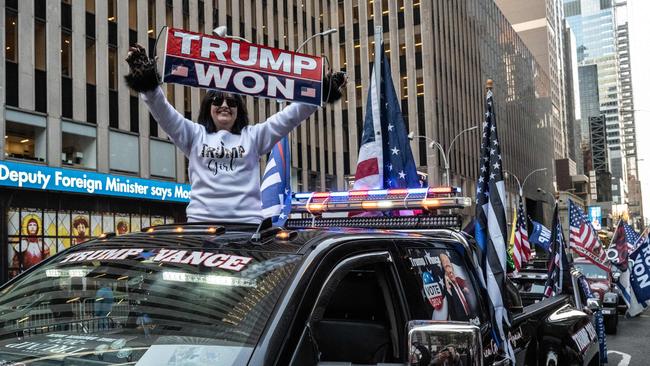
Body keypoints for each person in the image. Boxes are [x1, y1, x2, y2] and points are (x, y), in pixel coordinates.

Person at [125, 44, 346, 224]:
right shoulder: (193, 134)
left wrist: (323, 90)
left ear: (239, 108)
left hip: (245, 228)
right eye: (217, 100)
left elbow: (290, 116)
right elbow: (162, 111)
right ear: (207, 107)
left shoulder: (254, 136)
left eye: (231, 101)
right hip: (201, 227)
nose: (224, 105)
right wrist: (148, 84)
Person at [439, 253, 472, 321]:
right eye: (446, 266)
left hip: (472, 318)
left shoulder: (461, 283)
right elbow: (450, 307)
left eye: (450, 266)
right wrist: (448, 287)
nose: (450, 271)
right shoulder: (448, 290)